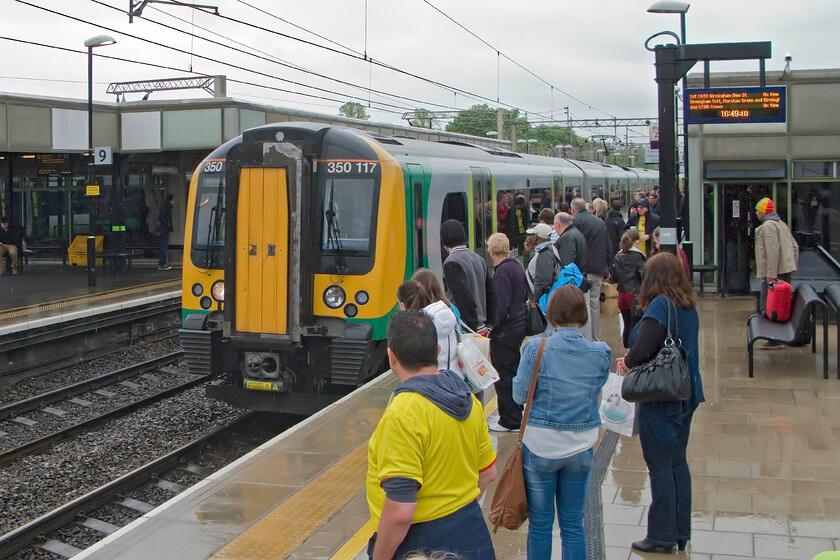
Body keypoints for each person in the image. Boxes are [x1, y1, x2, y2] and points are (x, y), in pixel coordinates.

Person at [366, 310, 497, 560]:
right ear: (437, 352)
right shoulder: (469, 401)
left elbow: (401, 511)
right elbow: (488, 472)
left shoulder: (402, 415)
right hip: (473, 533)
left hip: (421, 546)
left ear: (391, 356)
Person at [513, 285, 611, 560]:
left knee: (541, 526)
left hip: (541, 447)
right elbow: (597, 385)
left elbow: (519, 395)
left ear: (551, 314)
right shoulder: (600, 353)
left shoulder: (536, 348)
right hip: (581, 448)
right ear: (583, 315)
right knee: (573, 526)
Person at [616, 253, 705, 554]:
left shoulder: (659, 306)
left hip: (662, 398)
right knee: (678, 461)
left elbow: (640, 349)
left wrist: (626, 362)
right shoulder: (688, 304)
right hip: (687, 392)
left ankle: (661, 535)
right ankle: (681, 531)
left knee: (659, 465)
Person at [486, 233, 527, 432]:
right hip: (518, 326)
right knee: (513, 369)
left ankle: (509, 419)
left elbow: (501, 306)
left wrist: (491, 327)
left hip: (505, 331)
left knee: (503, 375)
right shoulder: (516, 266)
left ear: (492, 251)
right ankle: (516, 410)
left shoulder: (501, 273)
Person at [754, 197, 799, 348]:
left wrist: (771, 275)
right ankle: (778, 336)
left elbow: (772, 251)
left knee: (769, 305)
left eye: (758, 210)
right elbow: (795, 247)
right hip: (784, 271)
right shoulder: (782, 224)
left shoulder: (768, 226)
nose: (756, 213)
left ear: (764, 212)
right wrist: (791, 266)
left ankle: (772, 338)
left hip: (774, 274)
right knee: (780, 306)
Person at [439, 220, 498, 335]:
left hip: (466, 329)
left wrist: (472, 329)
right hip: (483, 328)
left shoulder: (451, 263)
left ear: (445, 242)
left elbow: (463, 298)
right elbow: (492, 294)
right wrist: (490, 325)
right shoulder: (479, 259)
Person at [397, 280, 463, 378]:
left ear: (403, 305)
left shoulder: (415, 328)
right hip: (456, 377)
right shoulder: (445, 313)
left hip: (433, 383)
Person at [571, 198, 610, 341]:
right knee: (595, 304)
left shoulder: (576, 222)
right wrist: (608, 267)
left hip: (583, 270)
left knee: (585, 303)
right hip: (599, 269)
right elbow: (608, 245)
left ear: (573, 210)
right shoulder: (600, 222)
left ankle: (586, 338)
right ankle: (595, 337)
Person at [610, 230, 645, 349]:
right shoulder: (639, 256)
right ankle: (633, 349)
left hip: (622, 294)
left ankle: (626, 350)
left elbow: (614, 277)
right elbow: (642, 274)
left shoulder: (618, 256)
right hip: (635, 293)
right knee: (635, 325)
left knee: (626, 324)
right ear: (636, 242)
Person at [524, 223, 560, 305]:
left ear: (536, 237)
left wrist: (534, 301)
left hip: (543, 302)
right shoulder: (549, 249)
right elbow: (530, 270)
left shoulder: (544, 254)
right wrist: (527, 252)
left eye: (532, 235)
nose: (529, 237)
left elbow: (542, 283)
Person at [157, 193, 175, 270]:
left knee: (163, 246)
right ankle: (162, 263)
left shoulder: (164, 206)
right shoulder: (167, 207)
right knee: (164, 246)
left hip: (163, 228)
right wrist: (168, 224)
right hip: (165, 229)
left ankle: (162, 263)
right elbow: (162, 217)